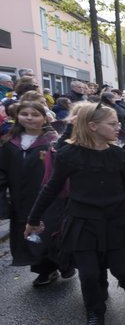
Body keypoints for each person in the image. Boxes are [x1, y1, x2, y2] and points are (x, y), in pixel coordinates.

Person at [24, 102, 125, 325]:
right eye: (113, 123)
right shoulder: (67, 154)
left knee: (119, 268)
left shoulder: (118, 154)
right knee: (88, 275)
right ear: (93, 126)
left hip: (114, 221)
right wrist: (33, 220)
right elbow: (51, 188)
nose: (119, 127)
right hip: (82, 222)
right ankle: (95, 316)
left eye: (118, 123)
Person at [0, 93, 73, 287]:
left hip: (50, 198)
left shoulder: (52, 141)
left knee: (50, 232)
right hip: (20, 198)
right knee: (28, 236)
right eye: (24, 114)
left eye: (35, 114)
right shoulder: (9, 143)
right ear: (18, 116)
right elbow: (2, 173)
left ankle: (60, 264)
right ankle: (46, 270)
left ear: (44, 118)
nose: (29, 118)